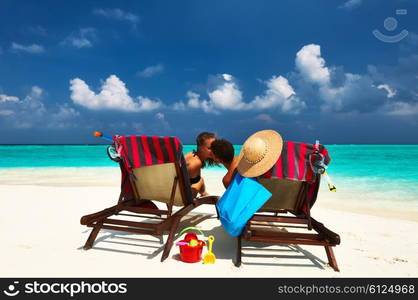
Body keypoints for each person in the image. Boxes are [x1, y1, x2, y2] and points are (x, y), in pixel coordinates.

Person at [185, 132, 216, 197]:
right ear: (200, 148)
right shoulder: (196, 163)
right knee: (200, 180)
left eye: (214, 148)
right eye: (209, 148)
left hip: (173, 191)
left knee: (199, 179)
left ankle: (204, 194)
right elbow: (190, 189)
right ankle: (204, 194)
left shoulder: (191, 154)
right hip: (184, 197)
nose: (213, 150)